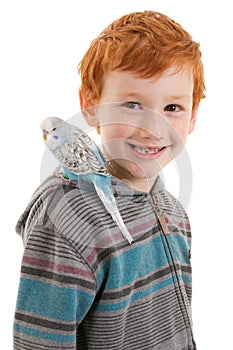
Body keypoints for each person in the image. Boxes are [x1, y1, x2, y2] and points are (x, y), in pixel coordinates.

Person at [13, 10, 205, 350]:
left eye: (173, 107)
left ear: (193, 117)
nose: (153, 128)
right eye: (132, 104)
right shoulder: (66, 218)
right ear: (90, 105)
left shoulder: (172, 211)